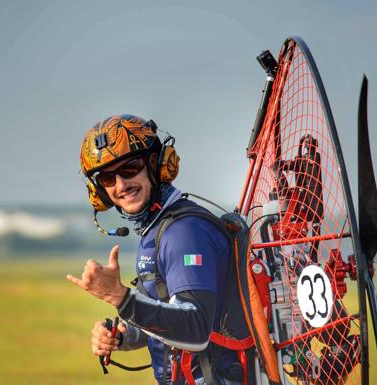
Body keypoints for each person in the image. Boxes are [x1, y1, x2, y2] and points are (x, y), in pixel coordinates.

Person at [67, 114, 245, 385]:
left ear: (156, 164)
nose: (121, 185)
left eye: (129, 169)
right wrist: (123, 335)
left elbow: (195, 328)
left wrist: (120, 298)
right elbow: (165, 314)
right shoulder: (157, 229)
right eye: (106, 178)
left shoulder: (184, 233)